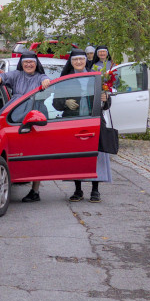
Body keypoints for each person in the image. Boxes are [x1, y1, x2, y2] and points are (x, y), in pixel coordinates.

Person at [0, 50, 52, 201]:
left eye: (31, 62)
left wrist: (46, 82)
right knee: (14, 150)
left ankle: (35, 191)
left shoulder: (40, 76)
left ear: (36, 64)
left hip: (35, 115)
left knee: (36, 153)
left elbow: (46, 79)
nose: (29, 64)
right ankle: (12, 178)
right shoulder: (16, 75)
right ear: (22, 63)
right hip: (15, 113)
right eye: (26, 62)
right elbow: (2, 76)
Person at [56, 49, 112, 203]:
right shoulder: (65, 79)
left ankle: (95, 190)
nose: (78, 62)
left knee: (96, 155)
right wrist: (65, 102)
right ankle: (78, 189)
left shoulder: (96, 76)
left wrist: (106, 98)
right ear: (71, 62)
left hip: (94, 120)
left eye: (81, 59)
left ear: (86, 60)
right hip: (73, 121)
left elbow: (107, 105)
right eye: (75, 60)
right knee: (76, 156)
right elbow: (56, 103)